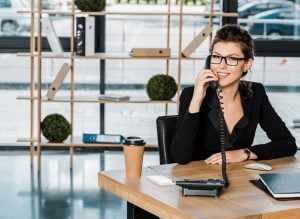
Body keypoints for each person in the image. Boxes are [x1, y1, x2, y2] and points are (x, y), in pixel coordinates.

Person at [170, 24, 297, 165]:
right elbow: (180, 156)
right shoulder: (191, 95)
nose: (221, 66)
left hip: (239, 180)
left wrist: (245, 153)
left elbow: (288, 144)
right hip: (199, 182)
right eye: (216, 57)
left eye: (232, 58)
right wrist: (197, 100)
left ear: (247, 64)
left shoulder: (256, 93)